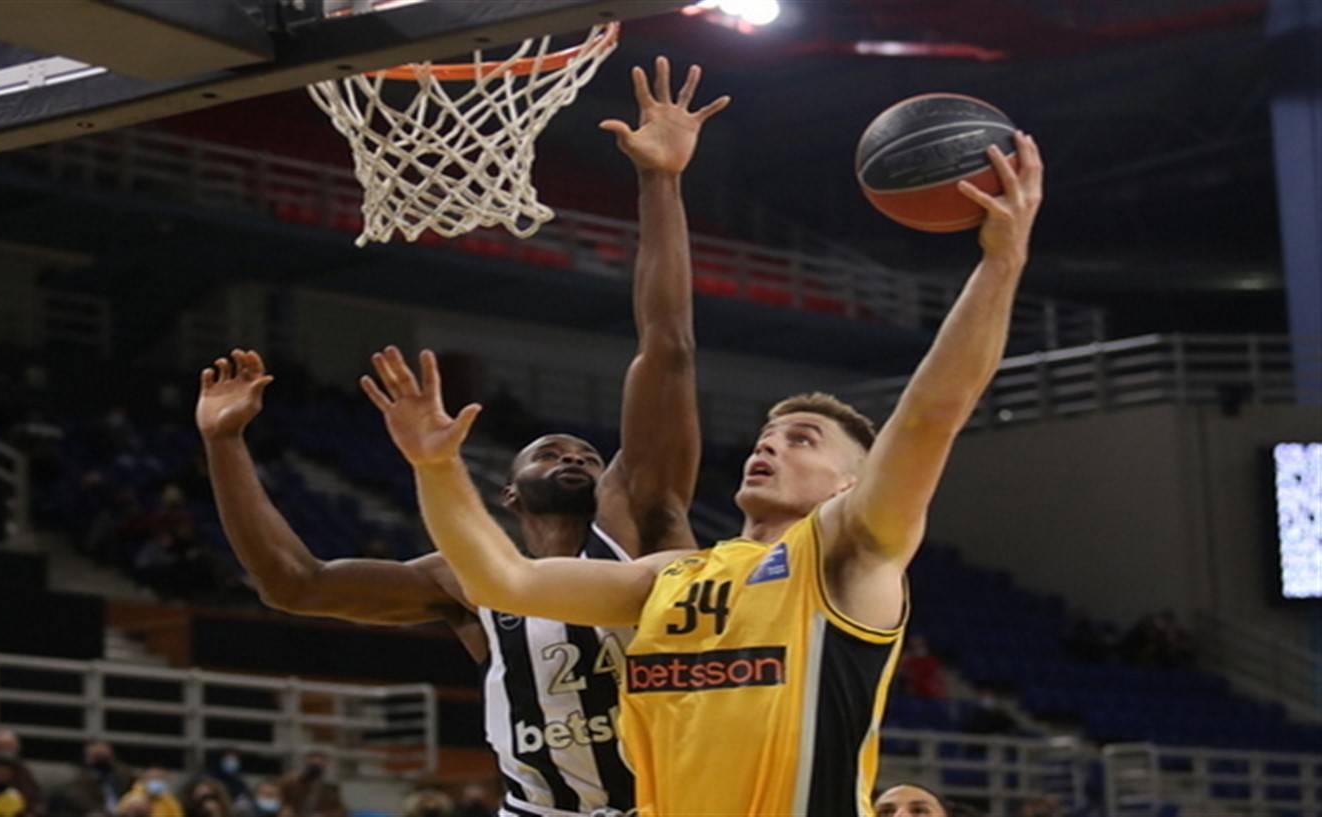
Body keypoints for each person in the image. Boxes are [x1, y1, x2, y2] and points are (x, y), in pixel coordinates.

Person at [370, 132, 1044, 816]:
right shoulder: (670, 576)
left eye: (802, 439)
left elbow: (929, 416)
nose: (770, 447)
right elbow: (502, 581)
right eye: (767, 436)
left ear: (849, 483)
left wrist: (1002, 260)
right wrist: (435, 465)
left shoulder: (848, 553)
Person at [197, 57, 725, 817]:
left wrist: (660, 181)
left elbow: (668, 346)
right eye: (549, 452)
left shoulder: (640, 516)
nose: (574, 455)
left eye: (585, 452)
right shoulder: (464, 579)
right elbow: (294, 583)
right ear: (508, 493)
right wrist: (223, 444)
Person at [49, 741, 134, 817]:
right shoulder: (78, 783)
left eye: (104, 759)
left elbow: (132, 787)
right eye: (97, 759)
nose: (101, 768)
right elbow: (86, 804)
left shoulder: (121, 776)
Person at [275, 754, 344, 817]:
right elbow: (278, 799)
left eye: (319, 765)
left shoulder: (330, 788)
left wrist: (324, 815)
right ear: (306, 765)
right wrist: (284, 809)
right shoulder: (291, 783)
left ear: (325, 766)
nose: (316, 768)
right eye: (313, 765)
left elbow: (339, 810)